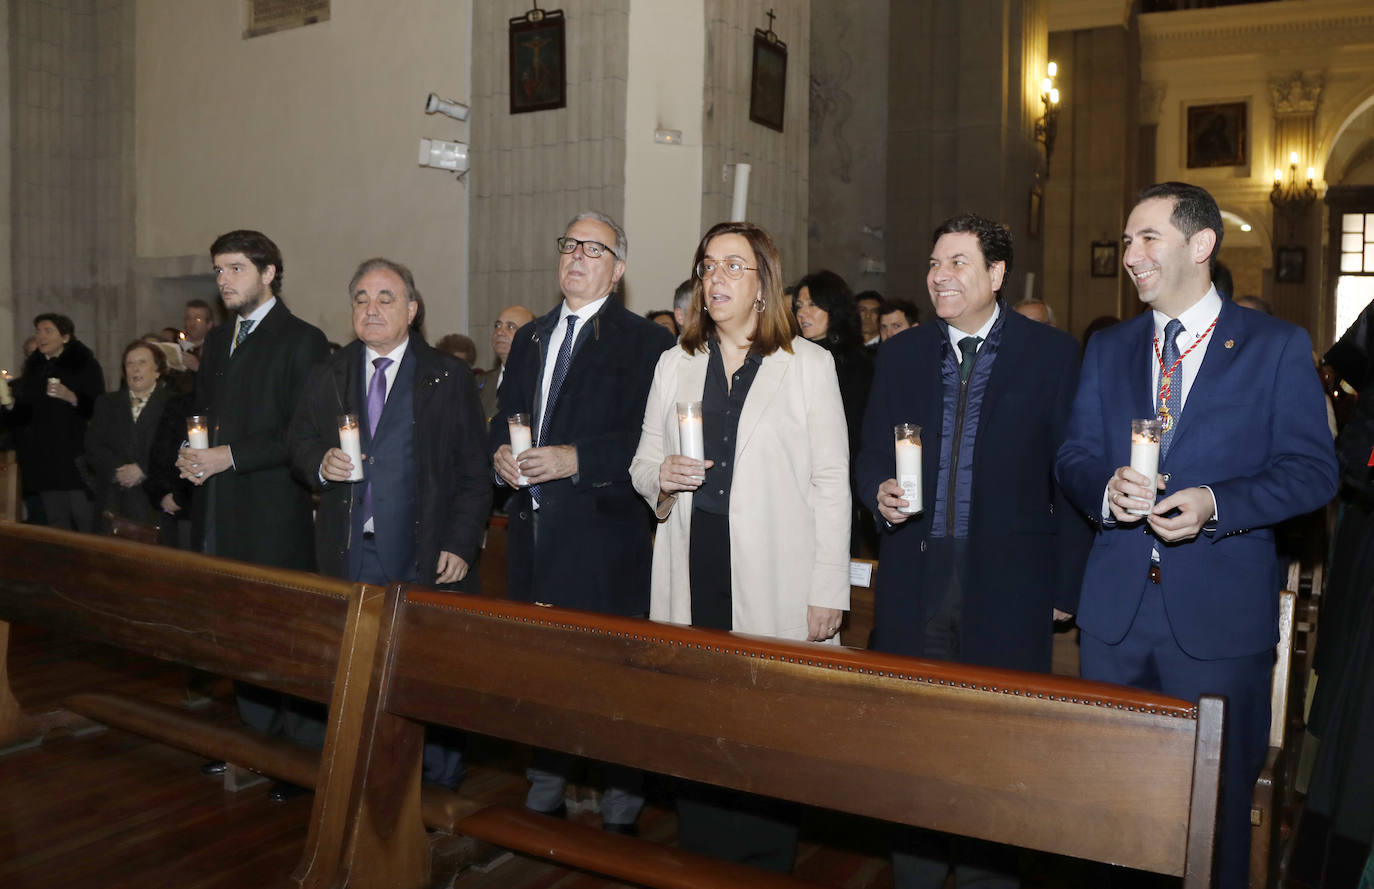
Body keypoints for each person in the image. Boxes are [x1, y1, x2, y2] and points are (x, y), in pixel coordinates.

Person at [1055, 182, 1338, 889]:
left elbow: (1312, 472)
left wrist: (1215, 502)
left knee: (1211, 822)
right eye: (1125, 240)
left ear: (1200, 244)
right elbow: (1074, 455)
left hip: (1218, 623)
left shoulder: (1274, 345)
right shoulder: (1111, 347)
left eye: (1147, 237)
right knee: (1111, 815)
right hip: (1116, 620)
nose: (1130, 255)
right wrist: (1106, 492)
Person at [856, 213, 1089, 889]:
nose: (939, 276)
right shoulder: (901, 353)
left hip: (1008, 583)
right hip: (917, 573)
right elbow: (871, 446)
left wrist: (1064, 586)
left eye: (958, 262)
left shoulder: (1050, 355)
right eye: (934, 263)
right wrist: (878, 489)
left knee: (996, 755)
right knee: (916, 751)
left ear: (996, 274)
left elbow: (1069, 472)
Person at [631, 220, 849, 871]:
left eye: (733, 266)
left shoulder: (808, 365)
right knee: (699, 729)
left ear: (763, 285)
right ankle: (702, 864)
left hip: (776, 578)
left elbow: (832, 483)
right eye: (708, 265)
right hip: (693, 571)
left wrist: (826, 589)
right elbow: (642, 462)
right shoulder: (675, 362)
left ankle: (763, 863)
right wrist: (660, 479)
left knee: (767, 735)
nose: (716, 277)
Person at [489, 210, 675, 832]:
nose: (576, 256)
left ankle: (622, 800)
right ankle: (545, 786)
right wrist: (498, 455)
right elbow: (503, 418)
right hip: (533, 537)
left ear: (618, 269)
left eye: (593, 249)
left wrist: (576, 458)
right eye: (569, 244)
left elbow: (651, 442)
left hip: (604, 537)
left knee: (609, 678)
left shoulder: (646, 343)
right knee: (543, 672)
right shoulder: (532, 337)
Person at [290, 257, 490, 791]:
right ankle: (363, 778)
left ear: (412, 309)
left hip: (426, 553)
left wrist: (461, 541)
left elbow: (474, 471)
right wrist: (321, 462)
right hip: (352, 550)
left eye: (385, 298)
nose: (371, 309)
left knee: (429, 676)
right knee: (355, 675)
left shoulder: (447, 377)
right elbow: (301, 442)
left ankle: (439, 791)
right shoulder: (329, 373)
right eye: (361, 298)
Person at [176, 229, 331, 802]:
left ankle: (302, 758)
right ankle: (255, 742)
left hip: (272, 510)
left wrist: (227, 455)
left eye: (236, 269)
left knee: (283, 633)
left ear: (269, 274)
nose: (224, 281)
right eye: (219, 271)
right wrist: (192, 453)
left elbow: (300, 432)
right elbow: (203, 413)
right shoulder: (218, 341)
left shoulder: (303, 339)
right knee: (236, 630)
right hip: (218, 504)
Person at [794, 270, 874, 554]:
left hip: (835, 490)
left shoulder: (857, 366)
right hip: (790, 491)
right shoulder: (786, 360)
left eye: (813, 304)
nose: (804, 313)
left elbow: (854, 435)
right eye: (800, 306)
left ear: (835, 308)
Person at [9, 313, 105, 531]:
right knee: (55, 521)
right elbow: (24, 416)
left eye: (47, 331)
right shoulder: (34, 368)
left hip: (75, 455)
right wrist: (9, 405)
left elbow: (99, 408)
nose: (41, 336)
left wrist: (71, 397)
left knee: (84, 517)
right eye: (38, 331)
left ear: (65, 337)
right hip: (45, 457)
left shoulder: (84, 364)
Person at [85, 341, 173, 533]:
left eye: (142, 362)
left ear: (158, 370)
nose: (135, 368)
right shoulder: (107, 403)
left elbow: (174, 448)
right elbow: (93, 446)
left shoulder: (172, 404)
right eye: (129, 363)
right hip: (114, 497)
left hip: (153, 498)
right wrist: (118, 471)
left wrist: (143, 469)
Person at [478, 304, 535, 422]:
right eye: (497, 325)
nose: (499, 332)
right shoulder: (479, 382)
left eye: (510, 326)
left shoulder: (537, 382)